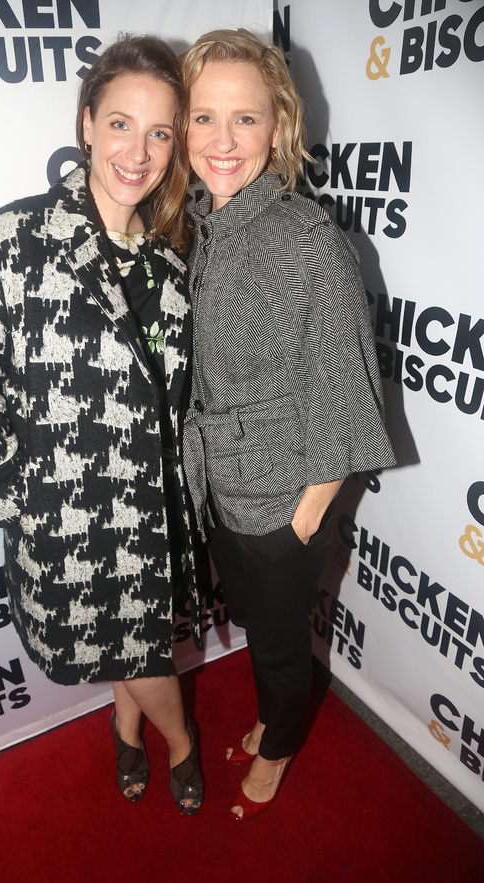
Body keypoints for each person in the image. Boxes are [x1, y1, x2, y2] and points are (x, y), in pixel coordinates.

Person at [0, 35, 204, 815]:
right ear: (86, 123)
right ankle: (181, 742)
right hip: (67, 515)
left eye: (160, 132)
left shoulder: (174, 254)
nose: (139, 151)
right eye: (121, 123)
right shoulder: (13, 242)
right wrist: (20, 499)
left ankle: (128, 732)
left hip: (151, 517)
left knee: (137, 643)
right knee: (129, 646)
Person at [180, 29, 396, 821]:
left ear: (279, 124)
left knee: (277, 647)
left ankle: (277, 746)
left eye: (246, 118)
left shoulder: (308, 241)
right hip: (222, 492)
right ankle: (276, 716)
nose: (222, 141)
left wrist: (301, 522)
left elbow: (346, 396)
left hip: (280, 509)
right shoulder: (206, 221)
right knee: (252, 632)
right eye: (205, 118)